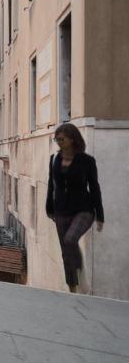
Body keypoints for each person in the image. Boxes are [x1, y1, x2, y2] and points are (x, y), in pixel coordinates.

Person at [46, 123, 104, 293]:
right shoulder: (54, 159)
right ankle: (72, 288)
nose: (58, 142)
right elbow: (52, 185)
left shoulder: (87, 161)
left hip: (84, 210)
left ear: (72, 139)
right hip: (61, 210)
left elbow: (94, 187)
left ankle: (79, 271)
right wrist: (49, 207)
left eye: (61, 139)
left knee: (70, 240)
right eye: (56, 140)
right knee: (66, 251)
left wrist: (100, 215)